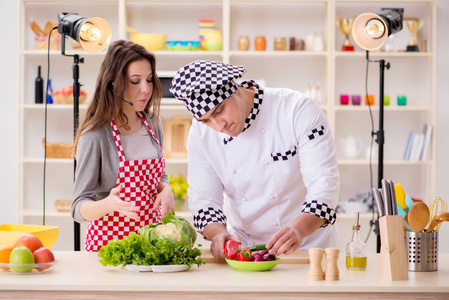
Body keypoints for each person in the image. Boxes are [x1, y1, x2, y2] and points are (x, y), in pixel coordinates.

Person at [169, 60, 340, 259]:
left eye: (219, 111)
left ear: (234, 89)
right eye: (206, 120)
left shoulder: (296, 110)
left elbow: (324, 185)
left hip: (309, 247)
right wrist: (218, 233)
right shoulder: (200, 134)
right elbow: (204, 201)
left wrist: (300, 230)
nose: (218, 126)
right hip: (245, 251)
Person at [71, 40, 174, 251]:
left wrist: (166, 189)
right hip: (109, 248)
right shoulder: (95, 136)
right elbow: (78, 207)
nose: (145, 89)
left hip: (151, 243)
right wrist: (108, 204)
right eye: (135, 81)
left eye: (149, 80)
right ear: (113, 84)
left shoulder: (154, 123)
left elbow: (159, 175)